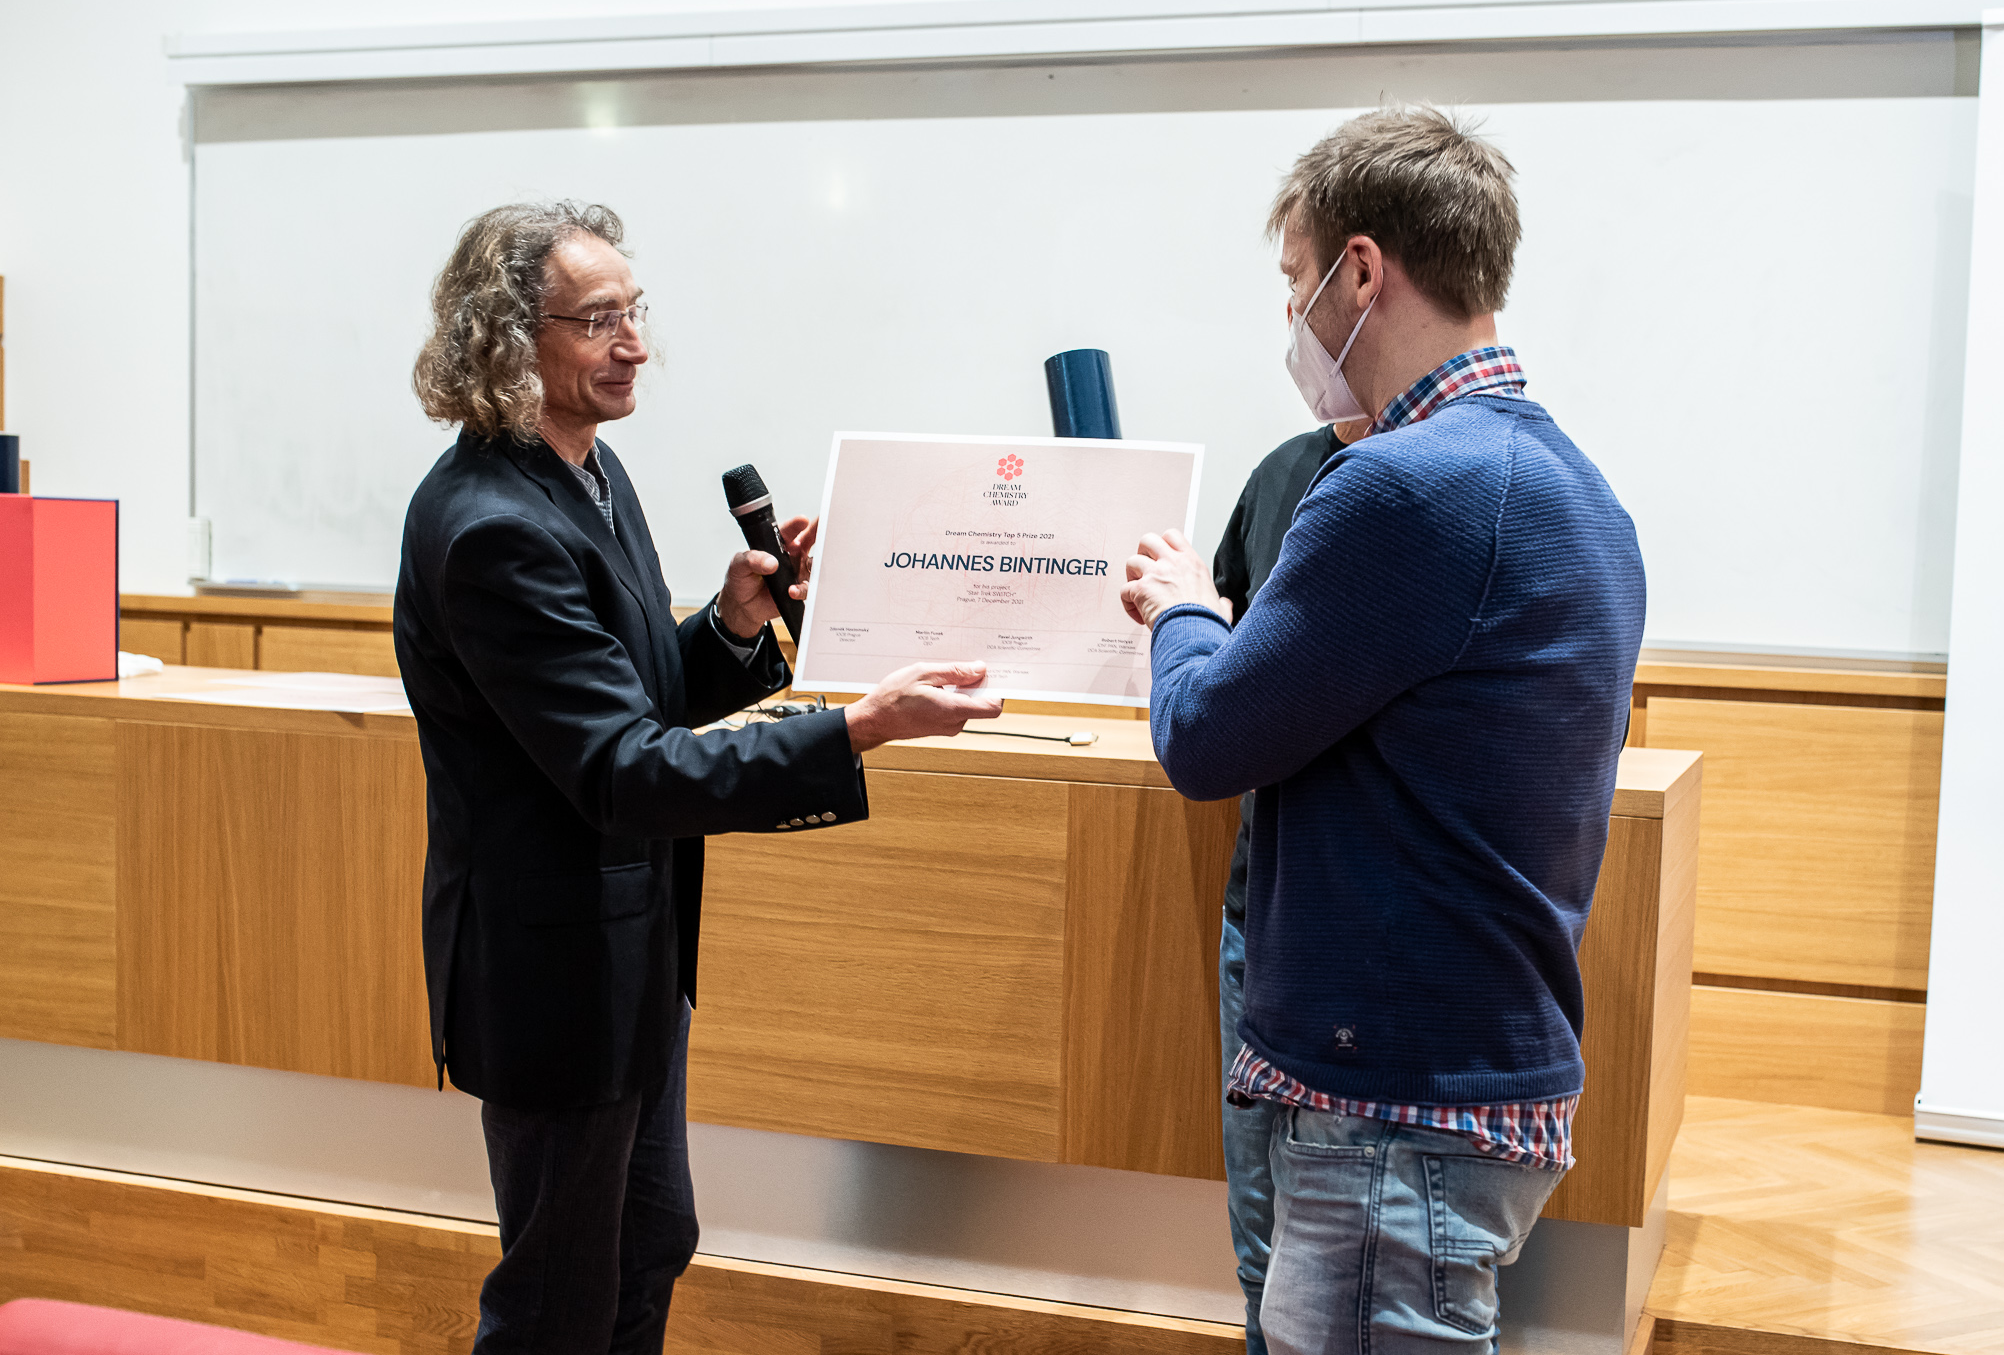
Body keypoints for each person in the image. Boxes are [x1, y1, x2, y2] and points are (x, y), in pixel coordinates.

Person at [395, 201, 1001, 1355]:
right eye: (596, 320)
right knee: (555, 1302)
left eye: (634, 314)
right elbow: (620, 769)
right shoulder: (490, 528)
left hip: (633, 957)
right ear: (506, 340)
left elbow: (632, 697)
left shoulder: (587, 471)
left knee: (648, 1243)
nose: (632, 345)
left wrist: (727, 626)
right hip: (554, 973)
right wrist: (852, 731)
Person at [1122, 106, 1645, 1353]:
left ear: (1362, 270)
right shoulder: (1575, 485)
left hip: (1389, 1093)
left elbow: (1203, 735)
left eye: (1296, 283)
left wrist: (1183, 609)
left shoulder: (1402, 486)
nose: (1293, 323)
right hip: (1462, 1069)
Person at [1208, 414, 1365, 1354]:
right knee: (1265, 1256)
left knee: (1361, 1278)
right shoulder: (1281, 475)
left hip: (1368, 947)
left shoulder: (1438, 486)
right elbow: (1233, 693)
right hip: (1255, 919)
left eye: (1298, 283)